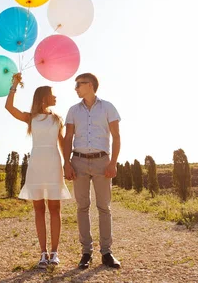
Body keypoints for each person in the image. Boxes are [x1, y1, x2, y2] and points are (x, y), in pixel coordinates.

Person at [5, 73, 72, 268]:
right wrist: (14, 85)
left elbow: (62, 143)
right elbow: (9, 107)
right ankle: (43, 253)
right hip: (36, 165)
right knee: (39, 209)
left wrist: (67, 163)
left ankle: (55, 252)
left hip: (53, 163)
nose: (56, 97)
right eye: (53, 94)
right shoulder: (30, 118)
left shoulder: (57, 119)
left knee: (55, 208)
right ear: (43, 97)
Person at [62, 72, 122, 269]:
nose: (76, 88)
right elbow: (68, 137)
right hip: (78, 161)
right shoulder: (72, 110)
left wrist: (113, 162)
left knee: (104, 207)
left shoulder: (108, 107)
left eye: (79, 84)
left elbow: (116, 136)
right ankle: (86, 252)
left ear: (90, 85)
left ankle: (106, 252)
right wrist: (67, 163)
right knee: (82, 207)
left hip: (101, 162)